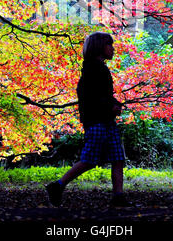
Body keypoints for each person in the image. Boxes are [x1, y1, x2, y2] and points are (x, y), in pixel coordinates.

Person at [46, 31, 130, 207]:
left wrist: (113, 103)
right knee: (91, 159)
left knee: (117, 158)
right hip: (97, 121)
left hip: (105, 120)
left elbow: (103, 95)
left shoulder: (99, 68)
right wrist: (111, 106)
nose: (112, 48)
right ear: (100, 46)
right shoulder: (93, 68)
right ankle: (58, 186)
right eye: (109, 44)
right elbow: (92, 97)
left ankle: (118, 196)